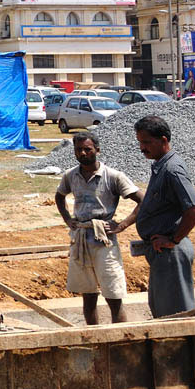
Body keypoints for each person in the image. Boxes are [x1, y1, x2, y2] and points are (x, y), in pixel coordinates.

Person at [54, 133, 143, 324]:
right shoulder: (71, 175)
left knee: (113, 295)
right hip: (81, 238)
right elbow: (59, 196)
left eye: (88, 149)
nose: (83, 153)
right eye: (79, 150)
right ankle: (94, 337)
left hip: (104, 239)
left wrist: (122, 225)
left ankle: (120, 340)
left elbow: (143, 200)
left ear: (97, 149)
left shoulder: (113, 176)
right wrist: (68, 220)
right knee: (88, 296)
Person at [131, 115, 195, 317]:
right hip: (161, 252)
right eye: (140, 142)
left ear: (163, 140)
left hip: (171, 252)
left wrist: (173, 239)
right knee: (161, 311)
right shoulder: (160, 166)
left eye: (146, 142)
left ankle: (183, 350)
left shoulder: (172, 169)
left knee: (176, 315)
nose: (142, 148)